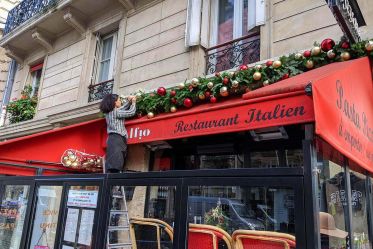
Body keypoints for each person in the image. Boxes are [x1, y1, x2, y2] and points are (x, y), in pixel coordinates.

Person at [99, 93, 136, 173]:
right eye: (119, 100)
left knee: (115, 164)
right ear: (114, 102)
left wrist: (129, 102)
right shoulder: (115, 113)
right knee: (116, 165)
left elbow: (123, 108)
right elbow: (131, 112)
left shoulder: (111, 112)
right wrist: (133, 103)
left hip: (114, 139)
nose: (120, 102)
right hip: (117, 139)